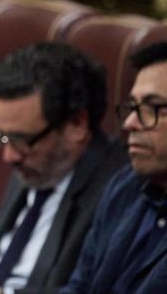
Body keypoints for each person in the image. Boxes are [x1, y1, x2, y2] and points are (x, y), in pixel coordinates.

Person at [0, 43, 126, 294]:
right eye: (1, 136)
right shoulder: (34, 160)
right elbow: (23, 264)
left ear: (77, 124)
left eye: (21, 139)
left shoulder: (120, 190)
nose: (8, 156)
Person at [60, 42, 167, 293]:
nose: (130, 123)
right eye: (132, 107)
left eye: (153, 109)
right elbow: (79, 288)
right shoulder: (124, 187)